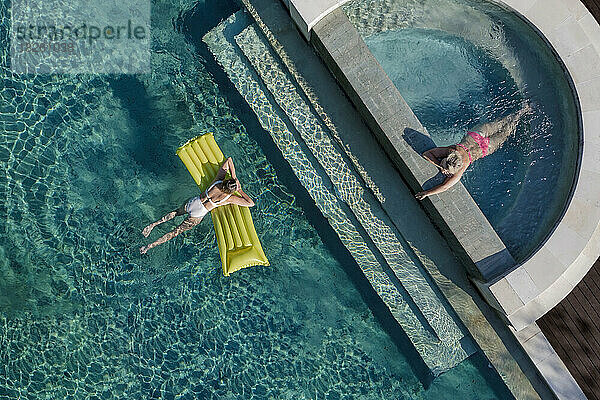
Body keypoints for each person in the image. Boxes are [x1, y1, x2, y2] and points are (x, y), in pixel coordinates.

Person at [415, 104, 532, 200]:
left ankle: (521, 113)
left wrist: (428, 191)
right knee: (500, 123)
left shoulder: (460, 167)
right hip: (477, 134)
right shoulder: (453, 150)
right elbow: (429, 155)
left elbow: (444, 185)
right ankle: (522, 110)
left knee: (504, 133)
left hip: (485, 148)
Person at [140, 157, 255, 254]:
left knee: (176, 212)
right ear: (231, 191)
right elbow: (250, 203)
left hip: (193, 202)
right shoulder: (228, 198)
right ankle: (149, 246)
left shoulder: (218, 180)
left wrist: (234, 178)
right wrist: (239, 190)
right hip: (198, 214)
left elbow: (229, 160)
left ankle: (153, 225)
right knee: (175, 232)